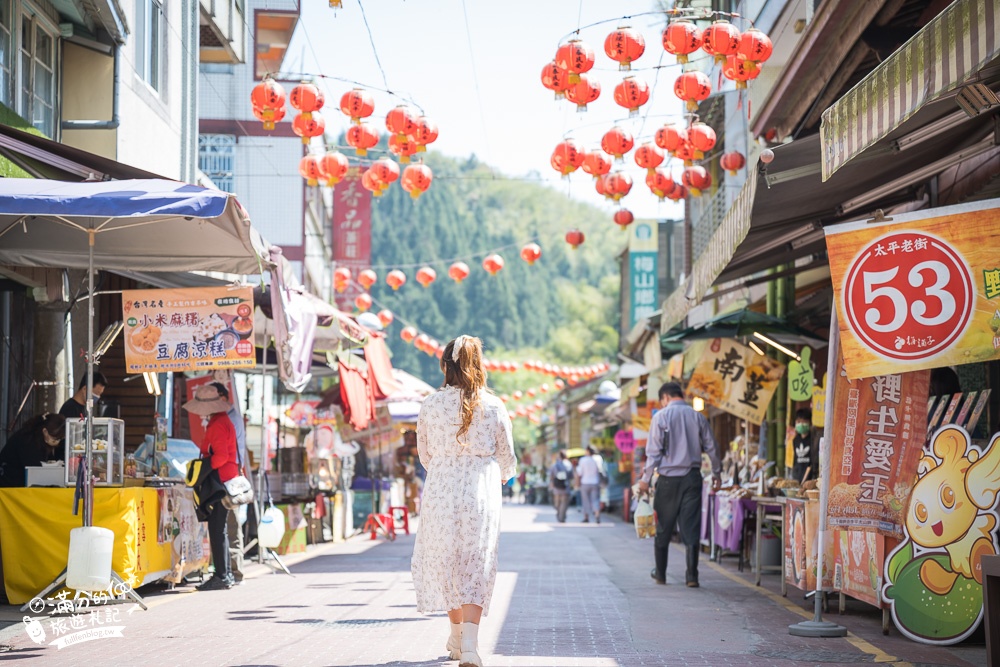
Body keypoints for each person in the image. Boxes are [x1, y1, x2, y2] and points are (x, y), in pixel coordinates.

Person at [411, 335, 517, 667]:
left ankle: (455, 636)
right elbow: (508, 458)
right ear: (478, 366)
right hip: (480, 491)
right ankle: (469, 645)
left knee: (447, 563)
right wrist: (496, 471)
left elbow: (424, 454)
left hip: (441, 490)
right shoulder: (494, 405)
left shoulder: (430, 403)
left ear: (445, 365)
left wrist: (446, 467)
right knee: (476, 565)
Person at [638, 382, 722, 588]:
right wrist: (717, 473)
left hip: (667, 480)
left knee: (664, 527)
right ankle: (692, 576)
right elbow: (712, 447)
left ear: (665, 397)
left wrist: (645, 479)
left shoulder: (660, 417)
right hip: (692, 478)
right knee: (691, 527)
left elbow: (653, 453)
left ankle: (660, 573)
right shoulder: (698, 416)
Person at [182, 382, 239, 591]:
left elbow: (221, 456)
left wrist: (204, 469)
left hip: (220, 483)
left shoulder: (217, 424)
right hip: (225, 480)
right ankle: (226, 574)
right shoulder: (223, 421)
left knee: (217, 529)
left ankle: (222, 575)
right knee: (219, 529)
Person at [0, 413, 66, 487]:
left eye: (60, 439)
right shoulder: (27, 441)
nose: (57, 442)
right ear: (45, 431)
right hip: (9, 484)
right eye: (55, 439)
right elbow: (35, 472)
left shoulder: (42, 438)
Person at [576, 446, 604, 523]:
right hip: (595, 482)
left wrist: (577, 483)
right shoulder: (597, 459)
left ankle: (586, 517)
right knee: (595, 500)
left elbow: (579, 473)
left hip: (585, 482)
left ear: (588, 451)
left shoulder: (583, 460)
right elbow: (601, 470)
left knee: (585, 501)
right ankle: (597, 515)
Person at [790, 408, 817, 483]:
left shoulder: (814, 439)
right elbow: (795, 459)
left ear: (810, 422)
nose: (801, 424)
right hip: (797, 478)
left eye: (804, 421)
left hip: (811, 479)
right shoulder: (795, 440)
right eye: (798, 421)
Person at [548, 451, 572, 523]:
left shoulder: (555, 465)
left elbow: (551, 476)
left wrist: (551, 484)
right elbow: (571, 476)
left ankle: (559, 514)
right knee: (564, 503)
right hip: (565, 486)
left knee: (557, 503)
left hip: (556, 487)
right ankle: (562, 516)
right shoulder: (569, 464)